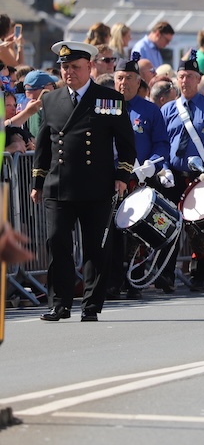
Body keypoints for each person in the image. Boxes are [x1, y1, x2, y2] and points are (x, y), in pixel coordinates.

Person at [32, 41, 136, 322]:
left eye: (75, 67)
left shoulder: (109, 99)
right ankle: (60, 303)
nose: (69, 73)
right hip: (59, 184)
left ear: (89, 67)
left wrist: (122, 176)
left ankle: (90, 304)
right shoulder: (51, 100)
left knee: (95, 248)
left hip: (95, 186)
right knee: (58, 244)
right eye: (64, 68)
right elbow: (44, 143)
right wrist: (37, 181)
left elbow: (127, 143)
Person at [159, 50, 204, 292]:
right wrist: (161, 168)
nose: (185, 80)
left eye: (189, 76)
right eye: (181, 76)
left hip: (198, 178)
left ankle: (201, 274)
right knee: (168, 225)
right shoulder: (168, 110)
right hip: (172, 177)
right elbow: (159, 142)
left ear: (198, 79)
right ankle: (166, 275)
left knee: (198, 228)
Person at [106, 52, 171, 299]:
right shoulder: (105, 106)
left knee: (138, 232)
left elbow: (161, 144)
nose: (124, 83)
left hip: (139, 179)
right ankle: (112, 281)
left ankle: (135, 279)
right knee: (111, 232)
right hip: (111, 179)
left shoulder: (150, 111)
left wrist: (152, 165)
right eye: (120, 78)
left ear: (138, 81)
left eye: (129, 78)